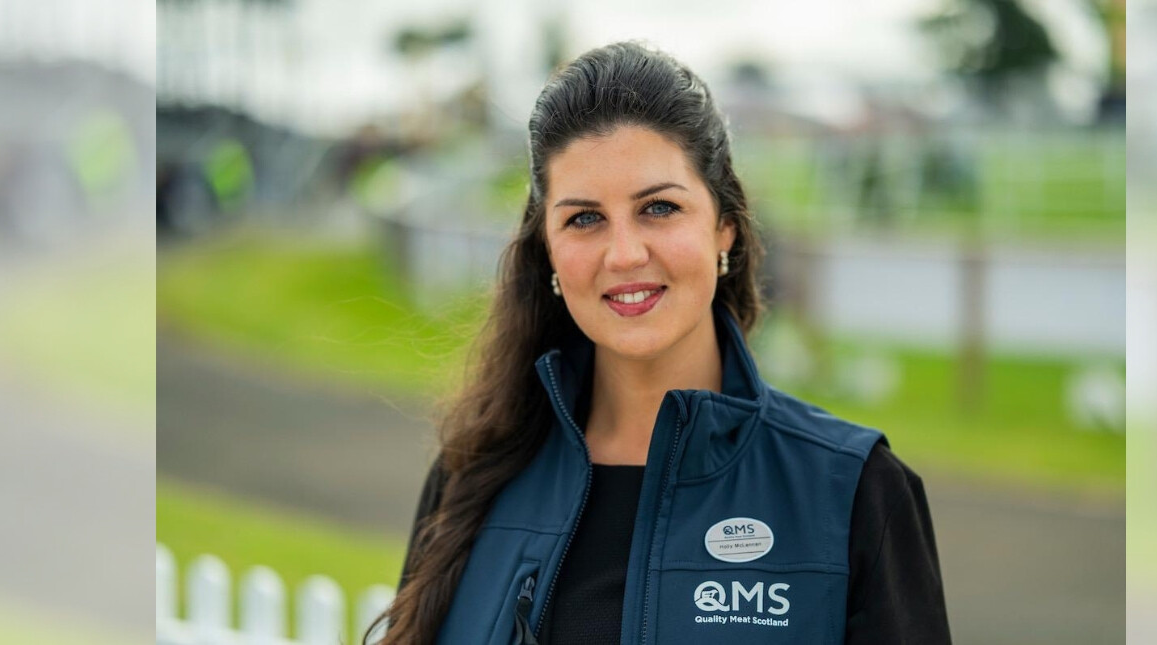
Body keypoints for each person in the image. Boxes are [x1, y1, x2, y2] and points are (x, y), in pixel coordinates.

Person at [373, 41, 951, 645]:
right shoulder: (472, 478)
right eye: (585, 219)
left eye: (658, 208)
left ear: (723, 226)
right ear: (548, 250)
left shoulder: (853, 490)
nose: (624, 254)